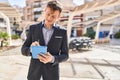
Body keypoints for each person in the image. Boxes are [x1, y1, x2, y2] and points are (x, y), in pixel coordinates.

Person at [21, 1, 69, 80]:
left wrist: (52, 59)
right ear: (45, 11)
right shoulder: (33, 28)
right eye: (48, 14)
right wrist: (31, 49)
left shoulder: (63, 32)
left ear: (59, 16)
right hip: (34, 74)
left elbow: (65, 55)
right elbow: (23, 50)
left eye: (53, 16)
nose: (50, 18)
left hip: (52, 75)